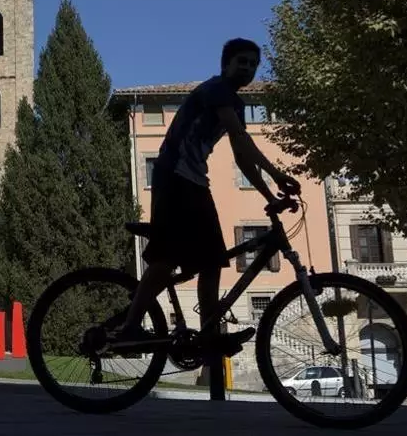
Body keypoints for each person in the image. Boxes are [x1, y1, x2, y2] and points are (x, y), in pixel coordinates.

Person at [112, 38, 300, 353]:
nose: (248, 68)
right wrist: (278, 175)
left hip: (196, 181)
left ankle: (208, 334)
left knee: (213, 259)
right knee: (167, 258)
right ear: (225, 64)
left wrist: (269, 195)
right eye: (242, 61)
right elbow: (240, 137)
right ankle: (130, 327)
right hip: (174, 176)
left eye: (253, 64)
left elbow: (242, 156)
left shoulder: (236, 104)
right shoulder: (217, 90)